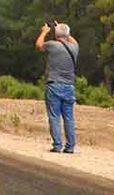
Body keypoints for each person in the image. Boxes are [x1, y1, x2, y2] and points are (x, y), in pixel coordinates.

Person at [36, 21, 79, 154]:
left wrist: (44, 31)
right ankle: (70, 146)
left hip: (54, 84)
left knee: (54, 116)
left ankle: (57, 145)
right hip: (69, 86)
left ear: (56, 35)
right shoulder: (74, 47)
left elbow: (38, 46)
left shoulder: (52, 45)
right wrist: (63, 28)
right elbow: (71, 38)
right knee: (69, 117)